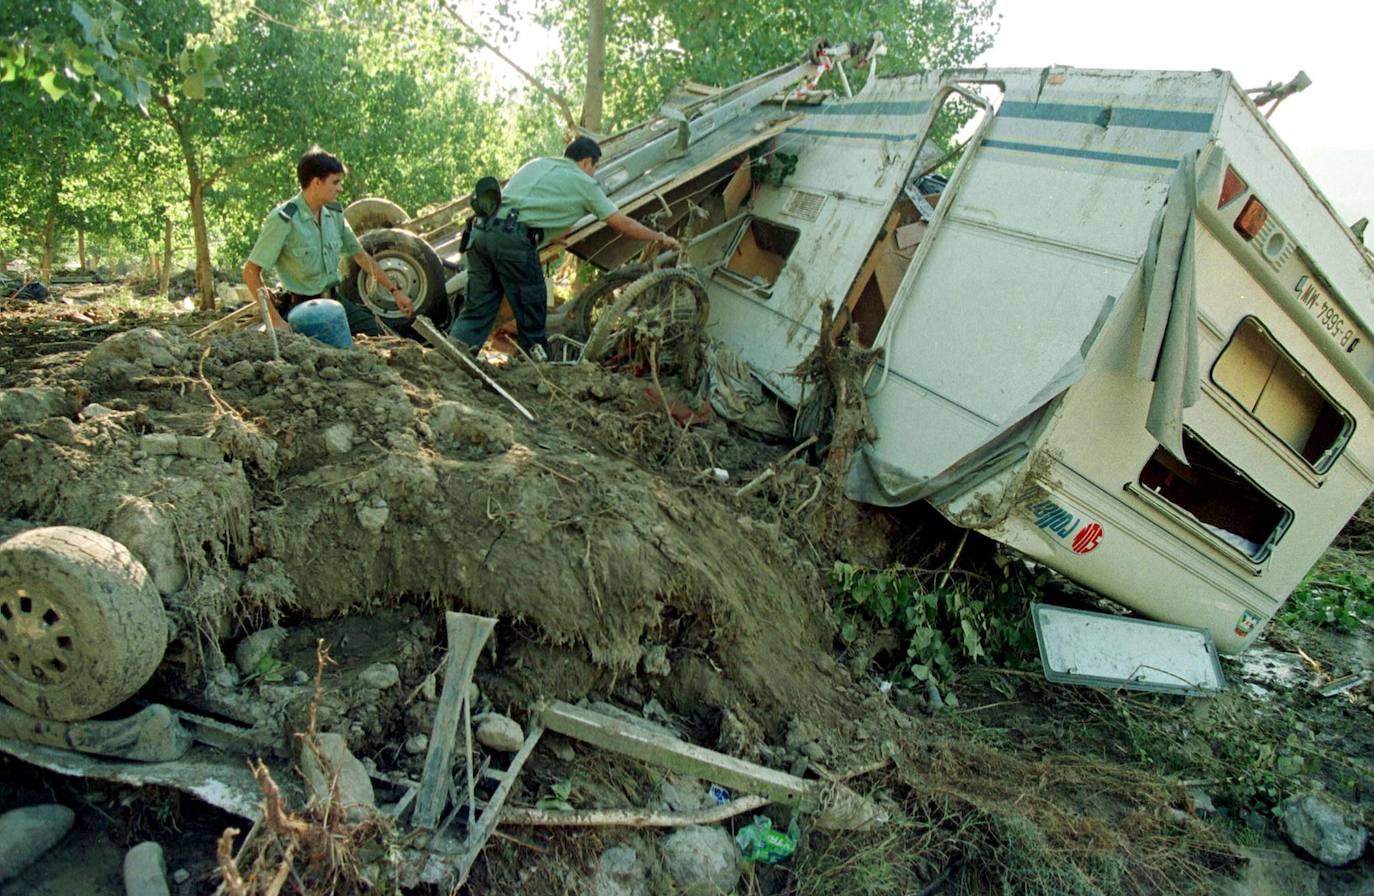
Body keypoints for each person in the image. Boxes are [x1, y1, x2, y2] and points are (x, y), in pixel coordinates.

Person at [449, 136, 680, 359]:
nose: (593, 173)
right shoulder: (585, 183)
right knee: (532, 310)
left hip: (480, 232)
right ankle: (536, 373)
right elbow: (622, 224)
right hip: (512, 240)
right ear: (587, 162)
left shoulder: (537, 164)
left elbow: (524, 205)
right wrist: (659, 236)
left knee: (477, 309)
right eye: (594, 167)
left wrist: (549, 234)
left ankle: (450, 355)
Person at [243, 147, 412, 348]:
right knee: (324, 350)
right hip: (302, 306)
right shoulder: (284, 219)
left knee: (376, 333)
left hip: (334, 299)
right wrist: (275, 320)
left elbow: (360, 255)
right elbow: (250, 271)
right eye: (335, 182)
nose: (339, 188)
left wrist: (394, 291)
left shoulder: (334, 214)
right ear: (316, 182)